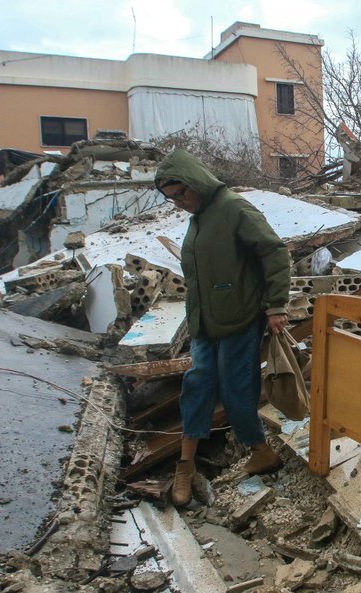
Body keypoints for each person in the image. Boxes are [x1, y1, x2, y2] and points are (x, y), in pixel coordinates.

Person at [154, 149, 291, 506]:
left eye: (181, 194)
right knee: (197, 383)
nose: (179, 203)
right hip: (204, 321)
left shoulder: (234, 208)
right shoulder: (197, 218)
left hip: (240, 317)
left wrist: (276, 304)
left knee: (236, 389)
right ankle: (185, 466)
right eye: (172, 199)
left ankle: (261, 451)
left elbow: (274, 252)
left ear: (195, 181)